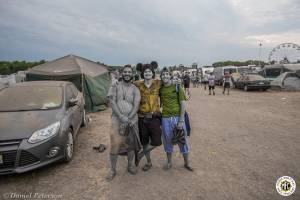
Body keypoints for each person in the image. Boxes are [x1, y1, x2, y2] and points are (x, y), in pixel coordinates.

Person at [106, 65, 141, 181]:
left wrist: (128, 119)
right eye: (125, 72)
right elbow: (112, 101)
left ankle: (130, 165)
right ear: (122, 73)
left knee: (130, 146)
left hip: (132, 121)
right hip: (117, 120)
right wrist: (121, 116)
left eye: (129, 72)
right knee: (114, 145)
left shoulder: (135, 89)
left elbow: (136, 105)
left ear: (132, 74)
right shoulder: (115, 86)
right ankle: (112, 169)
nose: (127, 73)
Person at [159, 68, 193, 171]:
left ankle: (187, 163)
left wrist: (181, 120)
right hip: (165, 118)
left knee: (182, 140)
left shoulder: (178, 86)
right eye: (163, 75)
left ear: (170, 76)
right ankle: (169, 162)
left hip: (177, 117)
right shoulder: (161, 89)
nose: (165, 76)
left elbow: (183, 103)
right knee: (168, 140)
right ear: (161, 77)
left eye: (166, 74)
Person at [134, 61, 162, 171]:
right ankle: (149, 162)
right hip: (142, 117)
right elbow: (126, 86)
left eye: (149, 71)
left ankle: (141, 154)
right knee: (145, 141)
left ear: (153, 72)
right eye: (145, 71)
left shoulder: (158, 83)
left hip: (154, 117)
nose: (147, 73)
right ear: (142, 73)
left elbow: (169, 82)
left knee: (157, 141)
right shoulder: (137, 84)